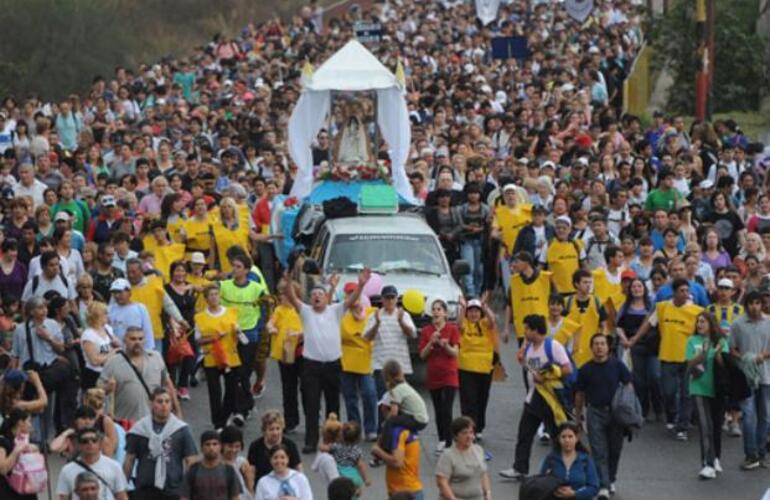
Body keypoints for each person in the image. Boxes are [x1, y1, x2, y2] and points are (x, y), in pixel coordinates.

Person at [284, 267, 369, 453]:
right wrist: (289, 280)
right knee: (312, 405)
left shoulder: (335, 310)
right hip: (311, 367)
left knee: (333, 406)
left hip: (332, 365)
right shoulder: (306, 311)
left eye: (320, 294)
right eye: (313, 294)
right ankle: (311, 441)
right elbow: (291, 297)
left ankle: (333, 441)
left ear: (326, 297)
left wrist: (361, 284)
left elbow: (352, 299)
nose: (316, 296)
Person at [500, 314, 571, 480]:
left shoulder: (553, 346)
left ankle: (561, 470)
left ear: (535, 330)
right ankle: (520, 467)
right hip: (533, 396)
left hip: (550, 399)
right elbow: (530, 367)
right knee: (524, 433)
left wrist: (545, 376)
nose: (524, 332)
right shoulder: (529, 348)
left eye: (527, 328)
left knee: (557, 436)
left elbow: (567, 369)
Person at [630, 278, 703, 440]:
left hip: (688, 359)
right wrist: (633, 340)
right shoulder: (662, 308)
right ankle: (672, 415)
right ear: (674, 292)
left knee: (686, 393)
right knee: (669, 392)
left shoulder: (697, 311)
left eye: (687, 291)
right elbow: (648, 324)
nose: (686, 294)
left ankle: (682, 426)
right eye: (682, 291)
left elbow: (705, 330)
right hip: (668, 356)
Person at [574, 334, 631, 499]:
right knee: (599, 450)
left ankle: (611, 478)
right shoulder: (585, 369)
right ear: (591, 347)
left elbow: (628, 385)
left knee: (615, 449)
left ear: (608, 347)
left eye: (602, 344)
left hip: (616, 414)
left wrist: (629, 408)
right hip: (594, 412)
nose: (599, 347)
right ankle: (603, 485)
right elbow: (579, 394)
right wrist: (578, 417)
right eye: (596, 344)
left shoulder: (618, 365)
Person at [12, 296, 76, 433]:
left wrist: (48, 338)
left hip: (49, 371)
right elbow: (16, 354)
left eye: (45, 307)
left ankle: (50, 433)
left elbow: (61, 348)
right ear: (31, 311)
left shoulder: (52, 325)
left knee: (49, 404)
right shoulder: (20, 329)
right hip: (29, 372)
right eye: (40, 308)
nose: (44, 311)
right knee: (28, 407)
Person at [124, 388, 197, 499]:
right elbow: (129, 459)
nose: (164, 405)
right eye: (160, 401)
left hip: (172, 490)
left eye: (167, 401)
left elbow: (191, 461)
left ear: (171, 405)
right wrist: (123, 488)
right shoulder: (139, 429)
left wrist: (188, 490)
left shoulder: (181, 430)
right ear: (152, 403)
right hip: (144, 489)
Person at [99, 327, 176, 423]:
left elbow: (167, 385)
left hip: (153, 421)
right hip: (125, 422)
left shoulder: (156, 357)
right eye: (133, 339)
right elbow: (98, 390)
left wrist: (177, 413)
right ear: (124, 340)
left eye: (140, 339)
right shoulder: (113, 362)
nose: (137, 342)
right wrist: (107, 388)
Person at [729, 291, 770, 470]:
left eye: (757, 303)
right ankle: (750, 454)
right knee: (748, 416)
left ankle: (762, 453)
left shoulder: (769, 322)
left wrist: (762, 355)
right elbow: (731, 348)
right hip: (745, 377)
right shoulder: (738, 324)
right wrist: (744, 357)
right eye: (751, 303)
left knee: (765, 416)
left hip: (766, 376)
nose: (755, 307)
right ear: (746, 305)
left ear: (762, 304)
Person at [220, 253, 267, 409]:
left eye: (238, 267)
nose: (234, 269)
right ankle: (242, 404)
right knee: (232, 373)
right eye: (233, 266)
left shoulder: (257, 289)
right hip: (229, 335)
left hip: (249, 334)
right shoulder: (225, 286)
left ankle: (242, 408)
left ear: (247, 270)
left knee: (244, 372)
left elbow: (266, 309)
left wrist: (260, 328)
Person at [194, 284, 244, 429]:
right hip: (211, 357)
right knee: (214, 391)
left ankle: (225, 414)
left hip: (231, 357)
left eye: (216, 294)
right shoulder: (200, 317)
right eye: (211, 295)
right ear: (206, 298)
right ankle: (218, 423)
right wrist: (213, 338)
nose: (214, 297)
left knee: (232, 389)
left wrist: (238, 332)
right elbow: (198, 339)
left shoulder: (231, 312)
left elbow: (239, 335)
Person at [685, 312, 728, 479]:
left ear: (711, 324)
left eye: (703, 322)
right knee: (705, 425)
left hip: (716, 389)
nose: (700, 325)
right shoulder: (692, 341)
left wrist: (717, 354)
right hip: (698, 387)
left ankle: (715, 457)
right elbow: (689, 364)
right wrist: (702, 354)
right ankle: (707, 464)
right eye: (698, 322)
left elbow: (725, 365)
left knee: (716, 425)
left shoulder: (721, 341)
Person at [364, 284, 417, 410]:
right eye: (387, 298)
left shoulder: (404, 315)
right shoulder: (374, 316)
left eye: (392, 297)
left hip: (400, 366)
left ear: (396, 299)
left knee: (401, 402)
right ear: (382, 299)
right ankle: (382, 429)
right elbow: (367, 337)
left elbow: (412, 334)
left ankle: (399, 429)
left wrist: (401, 322)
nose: (390, 301)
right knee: (383, 402)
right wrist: (377, 324)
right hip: (380, 365)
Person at [418, 298, 460, 453]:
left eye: (439, 309)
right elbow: (422, 355)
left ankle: (449, 442)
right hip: (433, 374)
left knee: (447, 409)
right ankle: (442, 439)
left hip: (449, 374)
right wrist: (431, 342)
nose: (436, 312)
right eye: (434, 309)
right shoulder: (426, 331)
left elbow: (455, 352)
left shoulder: (452, 329)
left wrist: (446, 345)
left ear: (445, 313)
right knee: (438, 408)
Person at [338, 282, 377, 441]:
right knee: (350, 397)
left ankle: (371, 429)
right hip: (347, 362)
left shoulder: (371, 313)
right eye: (349, 294)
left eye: (355, 294)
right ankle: (355, 429)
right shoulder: (341, 315)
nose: (353, 298)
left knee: (369, 394)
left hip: (366, 362)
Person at [457, 297, 498, 440]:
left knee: (482, 398)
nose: (474, 314)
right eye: (471, 311)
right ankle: (468, 427)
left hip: (484, 367)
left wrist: (485, 307)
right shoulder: (465, 325)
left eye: (476, 311)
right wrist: (463, 308)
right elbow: (458, 324)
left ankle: (479, 427)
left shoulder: (485, 323)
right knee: (468, 399)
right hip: (466, 367)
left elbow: (493, 320)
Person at [55, 427, 129, 500]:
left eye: (94, 440)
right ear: (79, 445)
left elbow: (122, 496)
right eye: (85, 441)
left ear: (99, 443)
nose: (90, 443)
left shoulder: (114, 466)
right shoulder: (67, 470)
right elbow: (63, 497)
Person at [377, 360, 429, 455]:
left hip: (417, 419)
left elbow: (394, 413)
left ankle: (385, 450)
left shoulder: (396, 390)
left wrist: (385, 423)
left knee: (390, 422)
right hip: (422, 418)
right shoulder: (404, 386)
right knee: (394, 420)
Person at [538, 422, 600, 500]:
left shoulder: (585, 459)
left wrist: (575, 494)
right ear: (558, 439)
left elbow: (594, 487)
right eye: (563, 437)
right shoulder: (551, 459)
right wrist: (555, 491)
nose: (567, 440)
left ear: (576, 438)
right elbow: (541, 484)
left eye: (570, 436)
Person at [435, 416, 491, 500]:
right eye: (464, 433)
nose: (469, 436)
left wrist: (487, 493)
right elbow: (442, 482)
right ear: (456, 436)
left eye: (471, 432)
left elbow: (483, 474)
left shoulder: (478, 450)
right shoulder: (448, 455)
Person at [504, 251, 551, 346]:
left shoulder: (545, 278)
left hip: (541, 328)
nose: (513, 265)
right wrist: (506, 328)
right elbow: (509, 305)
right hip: (523, 329)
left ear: (527, 263)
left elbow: (554, 303)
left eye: (517, 262)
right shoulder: (514, 281)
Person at [371, 415, 423, 500]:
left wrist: (378, 451)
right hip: (406, 489)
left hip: (403, 492)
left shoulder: (398, 432)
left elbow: (397, 462)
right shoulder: (407, 429)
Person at [180, 430, 241, 500]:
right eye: (207, 444)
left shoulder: (229, 471)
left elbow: (235, 497)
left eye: (215, 444)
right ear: (201, 448)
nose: (211, 448)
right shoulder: (192, 470)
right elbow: (184, 497)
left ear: (220, 447)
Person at [247, 411, 303, 485]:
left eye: (278, 428)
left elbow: (298, 468)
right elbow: (251, 471)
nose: (275, 433)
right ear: (264, 430)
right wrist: (251, 492)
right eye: (271, 429)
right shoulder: (255, 446)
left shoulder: (290, 445)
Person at [106, 278, 155, 351]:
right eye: (114, 293)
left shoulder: (140, 308)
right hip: (116, 352)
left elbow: (147, 331)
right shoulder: (109, 310)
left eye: (120, 292)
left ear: (129, 292)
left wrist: (149, 350)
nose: (117, 295)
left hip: (137, 350)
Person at [81, 301, 120, 389]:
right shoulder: (88, 335)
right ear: (97, 315)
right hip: (94, 374)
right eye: (105, 313)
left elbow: (117, 344)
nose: (107, 315)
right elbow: (94, 360)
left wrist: (117, 344)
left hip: (109, 372)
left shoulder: (107, 329)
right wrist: (112, 353)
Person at [220, 426, 255, 500]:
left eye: (237, 446)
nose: (233, 450)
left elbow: (250, 487)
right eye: (230, 446)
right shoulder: (215, 463)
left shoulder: (241, 462)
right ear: (222, 445)